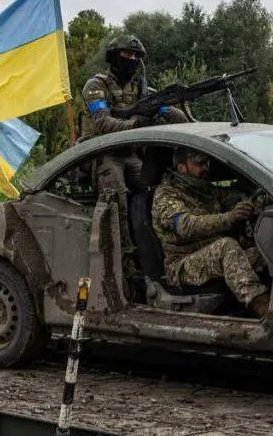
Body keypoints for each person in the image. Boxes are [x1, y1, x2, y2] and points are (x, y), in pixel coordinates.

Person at [80, 34, 191, 277]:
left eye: (135, 56)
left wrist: (184, 113)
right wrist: (135, 126)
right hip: (102, 153)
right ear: (113, 57)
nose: (131, 59)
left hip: (130, 154)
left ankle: (159, 248)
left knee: (158, 187)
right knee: (116, 193)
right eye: (126, 55)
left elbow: (171, 113)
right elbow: (103, 124)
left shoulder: (141, 90)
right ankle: (124, 261)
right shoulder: (96, 86)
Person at [151, 146, 270, 318]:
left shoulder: (204, 190)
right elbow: (186, 226)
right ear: (182, 167)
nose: (206, 168)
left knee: (262, 251)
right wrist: (229, 217)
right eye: (199, 164)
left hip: (211, 255)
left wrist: (249, 203)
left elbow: (232, 199)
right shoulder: (165, 195)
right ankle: (262, 308)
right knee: (226, 247)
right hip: (183, 264)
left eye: (206, 163)